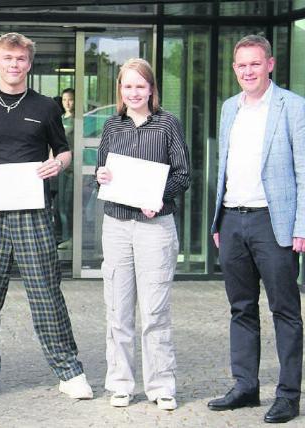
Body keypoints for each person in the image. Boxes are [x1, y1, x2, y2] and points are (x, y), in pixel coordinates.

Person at [0, 32, 92, 401]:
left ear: (29, 64)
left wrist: (57, 165)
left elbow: (64, 152)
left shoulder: (46, 107)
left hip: (33, 210)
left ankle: (69, 370)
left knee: (45, 290)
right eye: (8, 58)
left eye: (21, 59)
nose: (14, 65)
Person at [207, 35, 305, 424]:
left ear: (270, 64)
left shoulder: (293, 107)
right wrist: (218, 220)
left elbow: (304, 171)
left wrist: (301, 225)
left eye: (254, 64)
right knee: (240, 308)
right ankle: (245, 386)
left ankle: (288, 395)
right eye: (241, 65)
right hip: (232, 220)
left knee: (285, 310)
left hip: (273, 223)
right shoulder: (229, 108)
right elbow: (224, 166)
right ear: (235, 69)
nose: (247, 71)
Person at [95, 58, 190, 411]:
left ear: (151, 89)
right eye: (127, 86)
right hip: (117, 226)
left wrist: (158, 198)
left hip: (155, 227)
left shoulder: (167, 125)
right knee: (118, 309)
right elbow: (102, 172)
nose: (133, 92)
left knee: (155, 311)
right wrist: (101, 176)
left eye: (139, 85)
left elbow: (183, 175)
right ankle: (120, 383)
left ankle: (161, 385)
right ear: (120, 90)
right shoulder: (111, 126)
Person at [55, 88, 75, 248]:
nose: (67, 103)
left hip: (74, 168)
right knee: (61, 204)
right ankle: (65, 236)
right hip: (61, 166)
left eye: (70, 99)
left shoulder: (80, 119)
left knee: (70, 203)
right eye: (64, 100)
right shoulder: (60, 118)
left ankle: (73, 238)